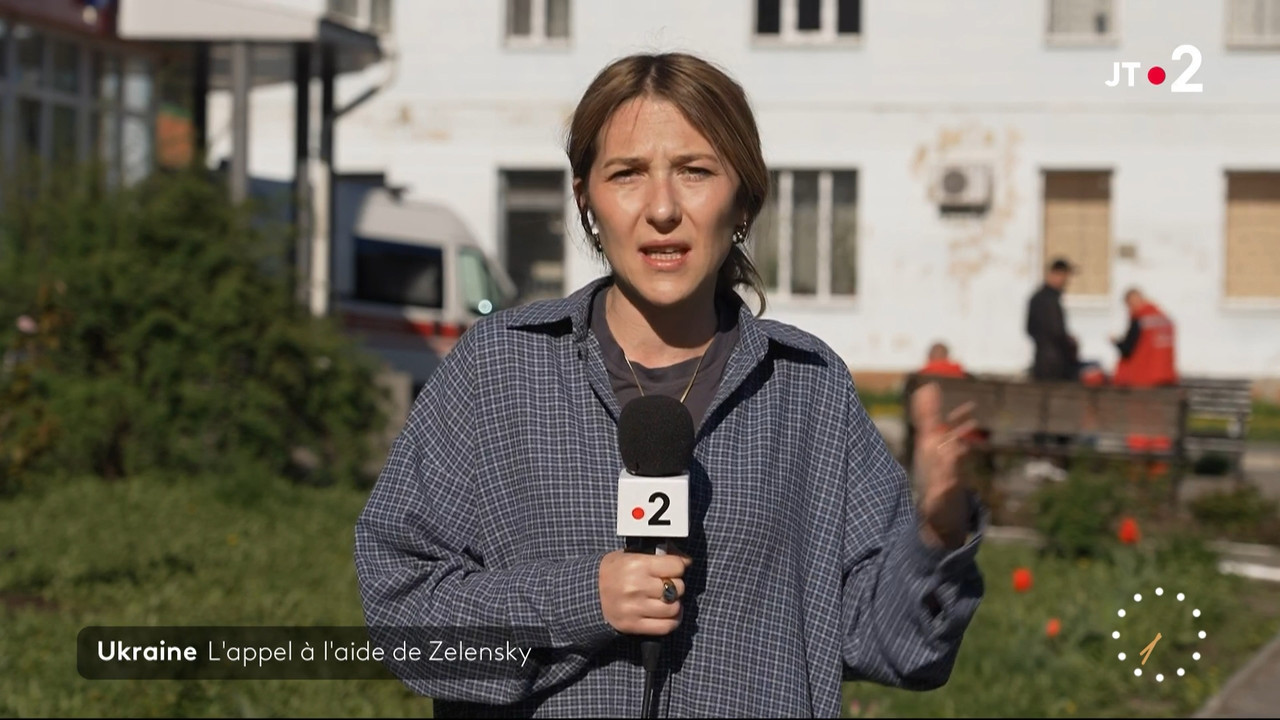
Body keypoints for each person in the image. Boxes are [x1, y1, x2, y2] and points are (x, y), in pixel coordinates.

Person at [353, 52, 986, 719]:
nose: (662, 209)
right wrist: (582, 600)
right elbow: (406, 621)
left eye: (694, 171)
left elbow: (899, 647)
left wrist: (937, 534)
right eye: (627, 174)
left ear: (743, 196)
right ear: (585, 199)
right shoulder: (496, 373)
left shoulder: (809, 392)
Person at [1111, 288, 1178, 473]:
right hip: (1165, 380)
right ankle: (1159, 470)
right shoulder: (1165, 319)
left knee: (1139, 428)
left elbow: (1128, 349)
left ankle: (1137, 471)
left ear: (1132, 302)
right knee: (1160, 429)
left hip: (1143, 380)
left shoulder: (1140, 319)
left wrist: (1115, 342)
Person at [1025, 258, 1080, 382]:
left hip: (1043, 361)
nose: (1066, 281)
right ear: (1055, 274)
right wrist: (1069, 343)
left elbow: (1029, 329)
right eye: (1065, 276)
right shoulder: (1048, 301)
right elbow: (1056, 331)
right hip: (1054, 365)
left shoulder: (1038, 298)